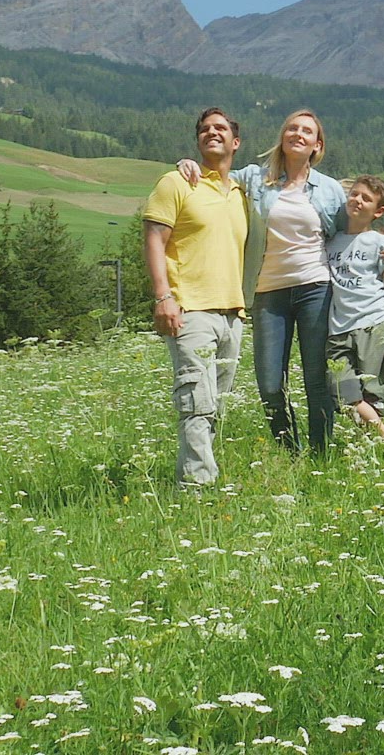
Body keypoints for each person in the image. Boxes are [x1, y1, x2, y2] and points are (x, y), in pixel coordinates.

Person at [180, 109, 384, 455]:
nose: (298, 134)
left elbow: (356, 231)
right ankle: (290, 451)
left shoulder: (329, 190)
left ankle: (321, 454)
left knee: (317, 379)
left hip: (316, 289)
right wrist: (187, 164)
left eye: (307, 131)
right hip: (268, 293)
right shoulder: (255, 177)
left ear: (317, 145)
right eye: (292, 128)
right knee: (269, 384)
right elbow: (216, 174)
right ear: (282, 137)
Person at [142, 108, 248, 485]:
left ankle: (200, 477)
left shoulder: (242, 193)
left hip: (233, 314)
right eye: (204, 129)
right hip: (190, 310)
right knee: (196, 403)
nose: (211, 133)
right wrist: (163, 297)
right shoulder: (176, 182)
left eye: (220, 128)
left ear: (236, 142)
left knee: (216, 405)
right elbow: (154, 239)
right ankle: (197, 490)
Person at [325, 175, 384, 443]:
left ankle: (374, 451)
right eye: (354, 194)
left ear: (378, 211)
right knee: (341, 391)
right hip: (338, 329)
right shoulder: (331, 241)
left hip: (373, 325)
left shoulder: (381, 244)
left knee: (373, 394)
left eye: (366, 199)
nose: (357, 200)